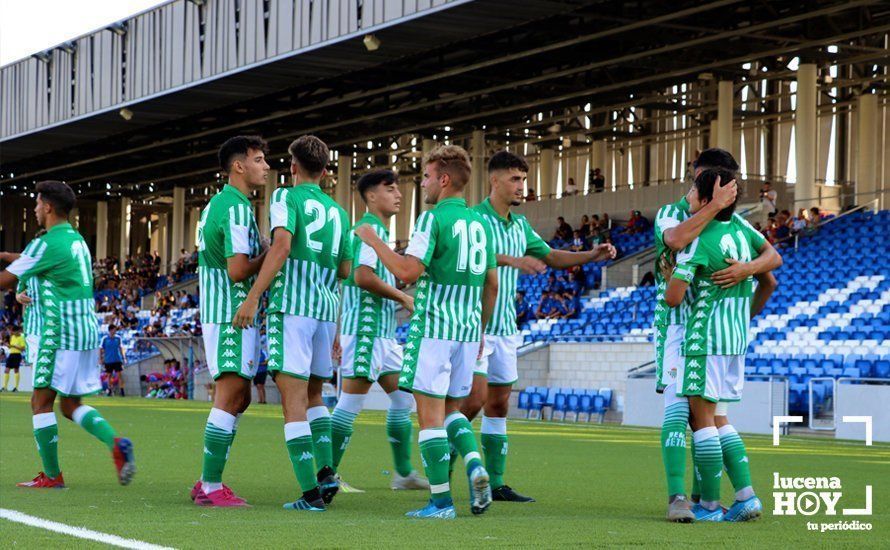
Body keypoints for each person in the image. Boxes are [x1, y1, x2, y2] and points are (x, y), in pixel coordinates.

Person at [355, 144, 497, 519]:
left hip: (434, 326)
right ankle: (474, 463)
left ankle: (440, 503)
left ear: (444, 179)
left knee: (429, 416)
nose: (424, 184)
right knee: (452, 410)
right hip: (468, 331)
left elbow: (407, 273)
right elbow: (491, 283)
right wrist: (480, 328)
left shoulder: (432, 220)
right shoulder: (483, 223)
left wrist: (373, 241)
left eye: (428, 176)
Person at [653, 147, 781, 523]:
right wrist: (714, 205)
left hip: (697, 330)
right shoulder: (672, 213)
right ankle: (686, 497)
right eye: (712, 182)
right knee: (695, 413)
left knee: (701, 415)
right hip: (683, 329)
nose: (725, 190)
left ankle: (704, 501)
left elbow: (771, 262)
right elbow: (673, 238)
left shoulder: (729, 225)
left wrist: (746, 270)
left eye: (728, 184)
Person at [233, 135, 352, 512]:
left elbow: (282, 245)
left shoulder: (286, 197)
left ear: (294, 167)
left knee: (293, 402)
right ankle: (327, 472)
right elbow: (345, 269)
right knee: (315, 397)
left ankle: (310, 495)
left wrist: (254, 296)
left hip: (292, 310)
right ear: (326, 170)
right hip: (323, 310)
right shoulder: (339, 212)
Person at [0, 180, 135, 488]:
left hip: (59, 332)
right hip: (85, 330)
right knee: (70, 404)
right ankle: (115, 443)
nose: (34, 209)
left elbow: (6, 281)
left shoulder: (46, 243)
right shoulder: (75, 240)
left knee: (40, 401)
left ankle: (51, 476)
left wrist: (9, 263)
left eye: (36, 204)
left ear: (47, 207)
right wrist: (9, 255)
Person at [328, 169, 429, 492]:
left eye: (398, 188)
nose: (398, 194)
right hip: (366, 332)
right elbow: (362, 277)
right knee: (349, 404)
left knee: (403, 400)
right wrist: (402, 296)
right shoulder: (367, 231)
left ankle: (403, 474)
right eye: (390, 188)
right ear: (371, 196)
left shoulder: (379, 233)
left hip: (384, 335)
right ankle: (325, 476)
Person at [188, 136, 268, 507]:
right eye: (259, 159)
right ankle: (210, 485)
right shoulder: (235, 208)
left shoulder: (218, 205)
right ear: (239, 166)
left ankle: (207, 479)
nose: (265, 166)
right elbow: (237, 270)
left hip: (228, 313)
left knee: (242, 396)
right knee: (231, 393)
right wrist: (268, 255)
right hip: (232, 313)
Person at [100, 325, 127, 396]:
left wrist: (124, 357)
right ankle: (110, 390)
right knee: (109, 376)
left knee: (120, 375)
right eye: (114, 330)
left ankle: (122, 391)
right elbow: (101, 349)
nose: (115, 331)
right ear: (110, 330)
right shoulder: (105, 339)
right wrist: (100, 358)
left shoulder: (118, 338)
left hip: (117, 359)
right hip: (108, 360)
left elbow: (121, 348)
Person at [2, 324, 25, 391]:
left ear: (18, 331)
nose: (13, 333)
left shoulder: (21, 338)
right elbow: (10, 346)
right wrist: (8, 345)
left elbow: (23, 349)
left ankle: (16, 387)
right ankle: (5, 387)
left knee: (16, 370)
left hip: (17, 355)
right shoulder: (12, 337)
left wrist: (14, 346)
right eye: (13, 332)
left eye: (14, 331)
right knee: (6, 370)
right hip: (11, 354)